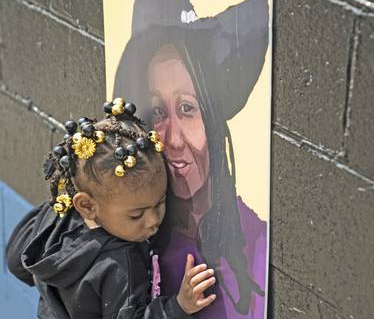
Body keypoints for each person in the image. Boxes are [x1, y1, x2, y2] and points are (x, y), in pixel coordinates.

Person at [113, 0, 270, 317]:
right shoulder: (131, 230)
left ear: (213, 121)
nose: (173, 139)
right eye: (157, 112)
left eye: (187, 108)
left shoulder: (254, 243)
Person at [5, 99, 217, 318]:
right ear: (87, 205)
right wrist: (179, 306)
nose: (153, 220)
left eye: (161, 202)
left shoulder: (58, 219)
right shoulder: (120, 262)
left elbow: (16, 262)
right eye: (136, 215)